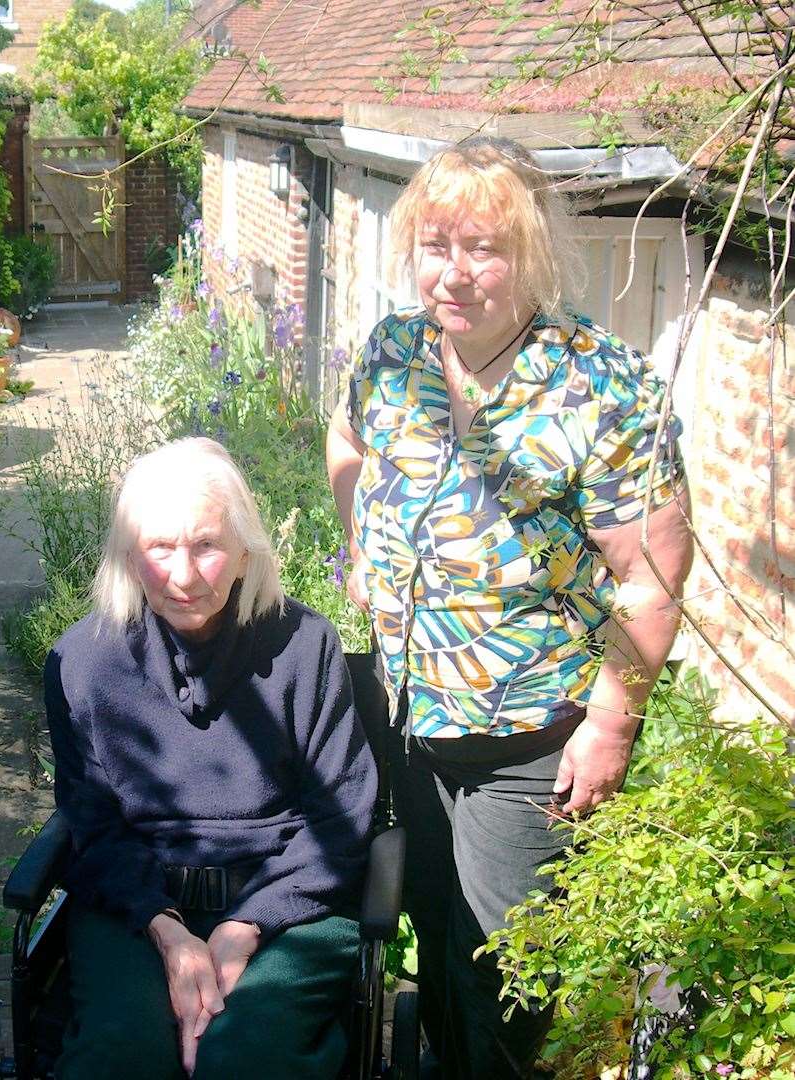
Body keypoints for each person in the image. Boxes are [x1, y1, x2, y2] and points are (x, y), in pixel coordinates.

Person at [325, 137, 695, 1079]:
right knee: (433, 930)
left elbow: (649, 578)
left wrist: (611, 723)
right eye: (434, 244)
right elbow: (345, 444)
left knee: (509, 974)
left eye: (481, 247)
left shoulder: (601, 384)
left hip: (531, 738)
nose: (453, 274)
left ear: (531, 253)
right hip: (408, 714)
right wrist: (360, 552)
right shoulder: (394, 351)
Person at [46, 437, 379, 1080]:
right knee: (122, 1058)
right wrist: (167, 931)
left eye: (206, 545)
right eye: (159, 547)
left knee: (246, 1060)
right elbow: (93, 826)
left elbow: (342, 815)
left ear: (245, 551)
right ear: (128, 553)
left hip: (289, 904)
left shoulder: (304, 646)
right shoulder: (84, 662)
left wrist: (247, 925)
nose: (183, 574)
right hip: (134, 905)